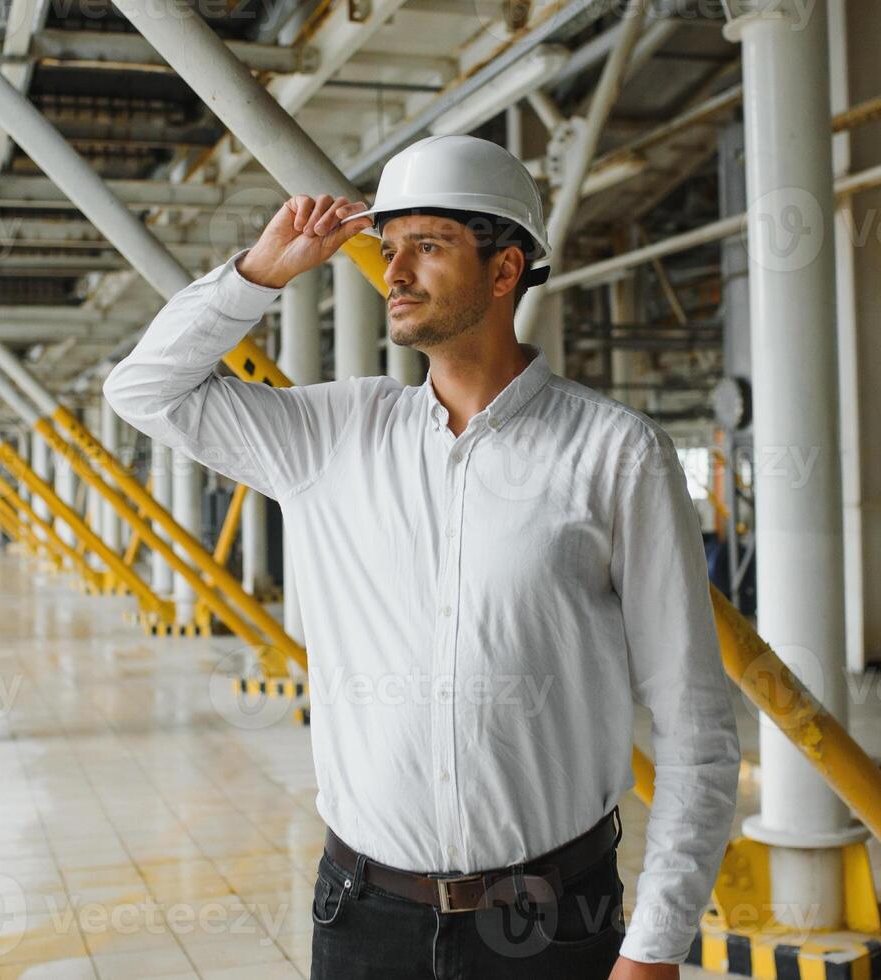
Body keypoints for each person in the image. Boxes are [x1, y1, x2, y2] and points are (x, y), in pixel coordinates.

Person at [103, 134, 740, 980]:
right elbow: (143, 390)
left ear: (505, 269)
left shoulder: (615, 455)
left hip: (557, 920)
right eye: (389, 248)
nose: (395, 274)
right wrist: (261, 271)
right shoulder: (332, 435)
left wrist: (656, 949)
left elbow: (694, 723)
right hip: (365, 916)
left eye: (427, 247)